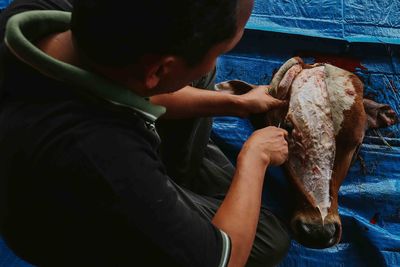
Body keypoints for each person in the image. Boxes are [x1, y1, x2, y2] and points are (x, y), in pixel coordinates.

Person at [0, 0, 290, 266]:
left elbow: (134, 83)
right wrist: (255, 156)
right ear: (157, 71)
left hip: (77, 153)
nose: (217, 61)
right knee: (269, 240)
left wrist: (234, 102)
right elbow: (223, 261)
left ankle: (176, 185)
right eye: (220, 53)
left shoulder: (35, 13)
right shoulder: (108, 163)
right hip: (61, 217)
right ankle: (169, 202)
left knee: (200, 76)